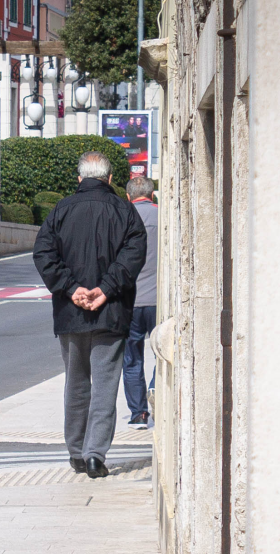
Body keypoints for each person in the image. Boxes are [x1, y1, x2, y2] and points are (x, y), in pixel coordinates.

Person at [33, 152, 147, 479]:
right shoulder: (126, 211)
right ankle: (95, 453)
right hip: (110, 311)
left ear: (79, 178)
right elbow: (133, 256)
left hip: (71, 312)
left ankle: (76, 451)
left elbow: (44, 253)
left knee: (76, 382)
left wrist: (72, 289)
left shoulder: (60, 210)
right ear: (110, 179)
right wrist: (105, 289)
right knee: (105, 383)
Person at [123, 176, 158, 429]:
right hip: (160, 300)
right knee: (164, 353)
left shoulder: (121, 218)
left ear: (128, 197)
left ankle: (138, 413)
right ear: (152, 194)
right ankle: (157, 389)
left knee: (131, 358)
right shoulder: (163, 216)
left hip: (129, 300)